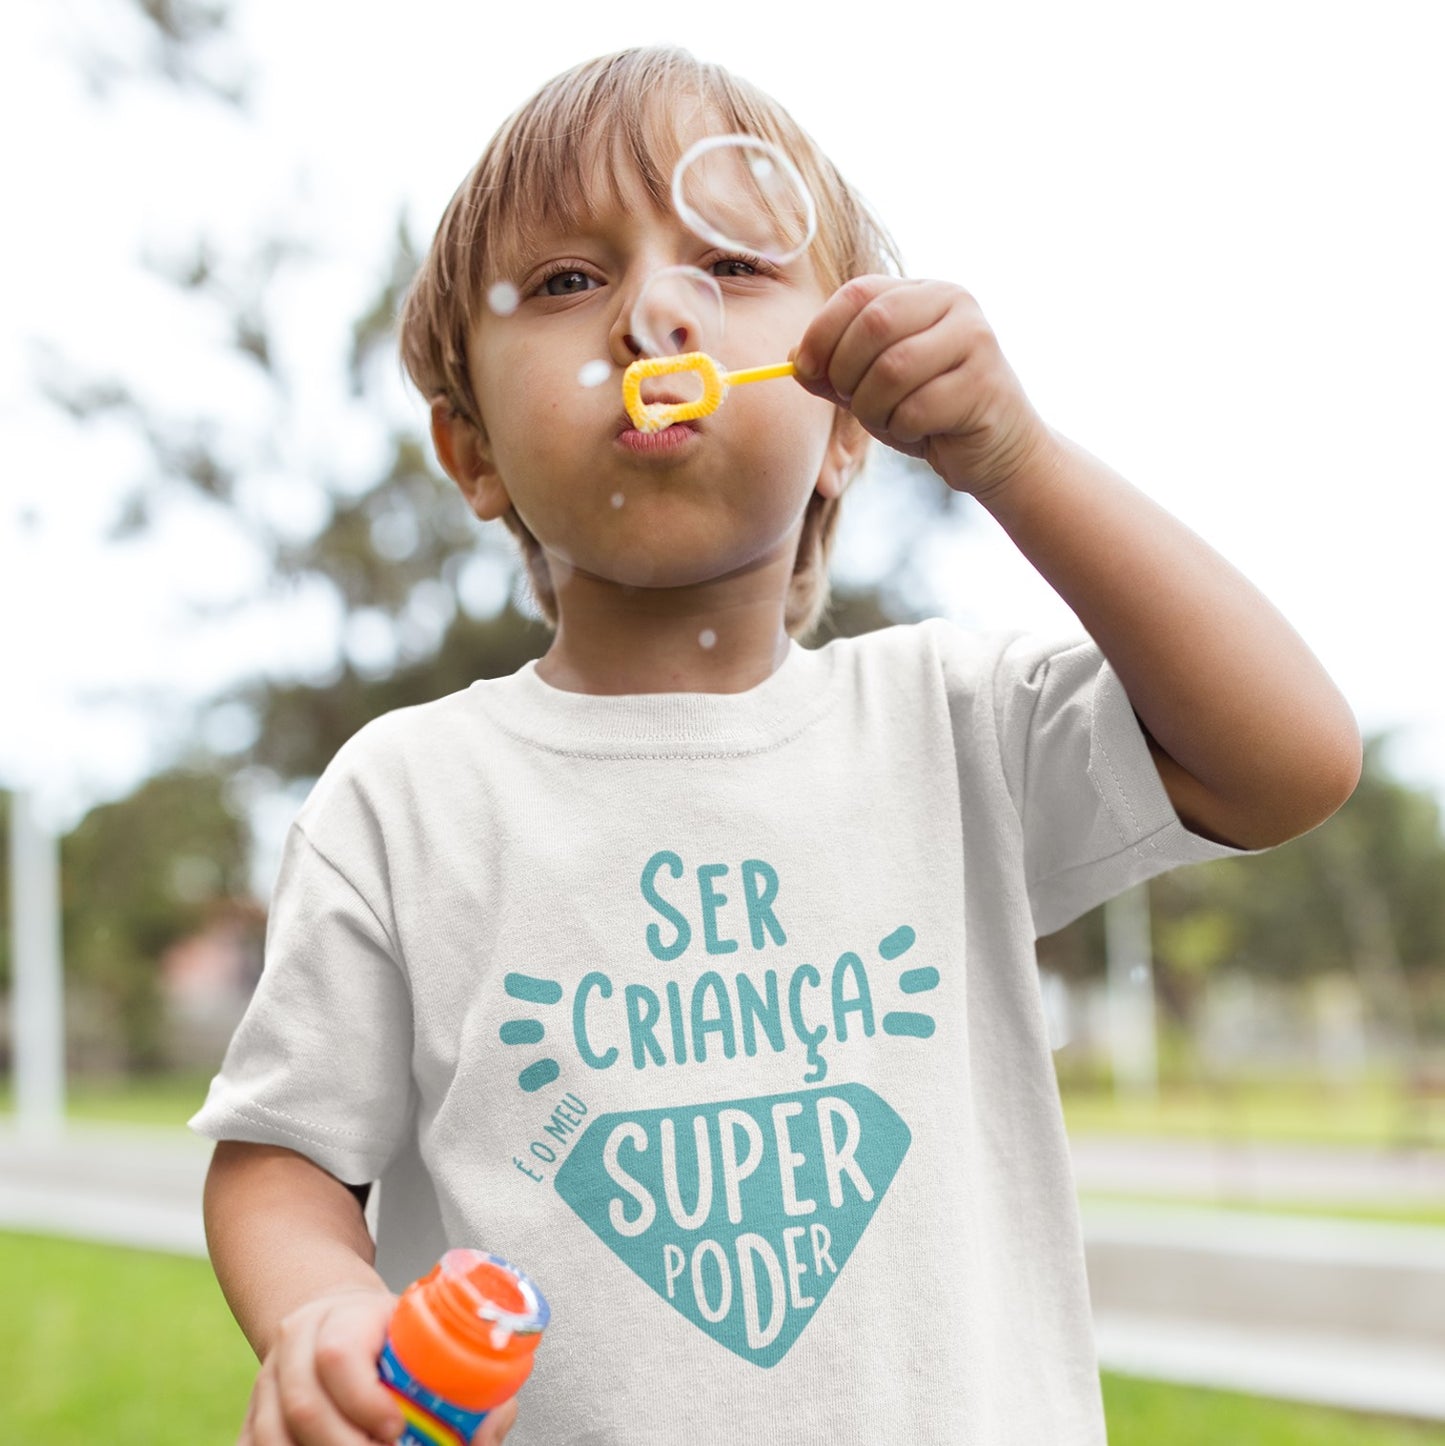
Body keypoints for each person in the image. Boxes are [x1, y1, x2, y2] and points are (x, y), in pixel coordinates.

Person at [192, 45, 1361, 1446]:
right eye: (568, 281)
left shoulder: (954, 725)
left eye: (733, 266)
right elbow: (282, 1158)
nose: (653, 315)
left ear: (848, 420)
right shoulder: (410, 795)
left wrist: (1014, 456)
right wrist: (322, 1306)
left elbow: (1287, 758)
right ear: (472, 453)